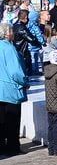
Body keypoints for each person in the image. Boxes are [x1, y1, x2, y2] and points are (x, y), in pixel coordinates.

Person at [0, 22, 29, 157]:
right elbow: (16, 72)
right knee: (12, 121)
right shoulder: (9, 49)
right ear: (7, 33)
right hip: (10, 90)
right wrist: (25, 82)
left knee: (2, 121)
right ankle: (12, 147)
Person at [12, 8, 44, 75]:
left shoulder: (14, 25)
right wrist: (40, 43)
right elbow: (31, 39)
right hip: (22, 50)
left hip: (17, 49)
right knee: (26, 69)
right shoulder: (21, 27)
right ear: (26, 17)